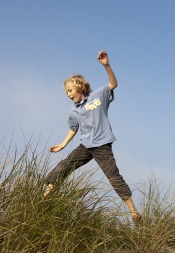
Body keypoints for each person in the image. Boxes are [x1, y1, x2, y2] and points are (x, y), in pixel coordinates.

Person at [44, 50, 141, 226]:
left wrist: (106, 65)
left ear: (80, 87)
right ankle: (45, 197)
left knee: (113, 177)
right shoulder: (73, 110)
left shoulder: (98, 96)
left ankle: (133, 211)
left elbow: (113, 84)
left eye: (70, 90)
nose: (68, 94)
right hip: (86, 146)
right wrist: (63, 145)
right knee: (64, 166)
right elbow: (73, 128)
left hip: (102, 145)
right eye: (66, 92)